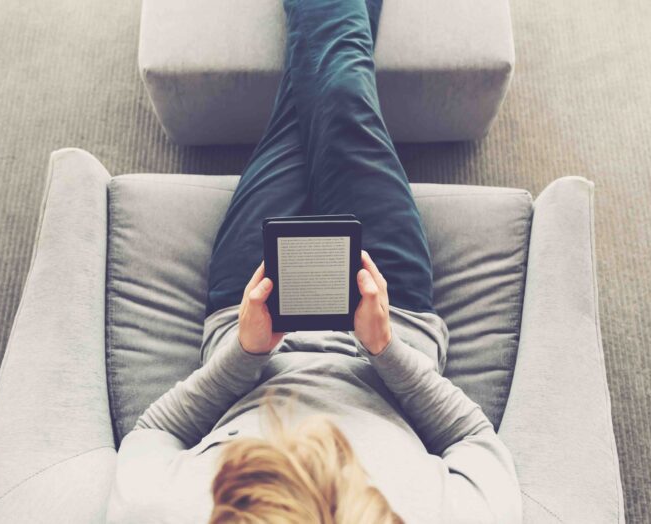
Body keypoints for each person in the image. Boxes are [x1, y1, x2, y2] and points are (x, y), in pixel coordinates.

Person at [106, 0, 521, 522]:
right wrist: (383, 346)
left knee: (312, 104)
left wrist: (245, 351)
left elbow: (154, 435)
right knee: (343, 98)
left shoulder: (161, 511)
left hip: (248, 320)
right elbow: (472, 437)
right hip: (391, 316)